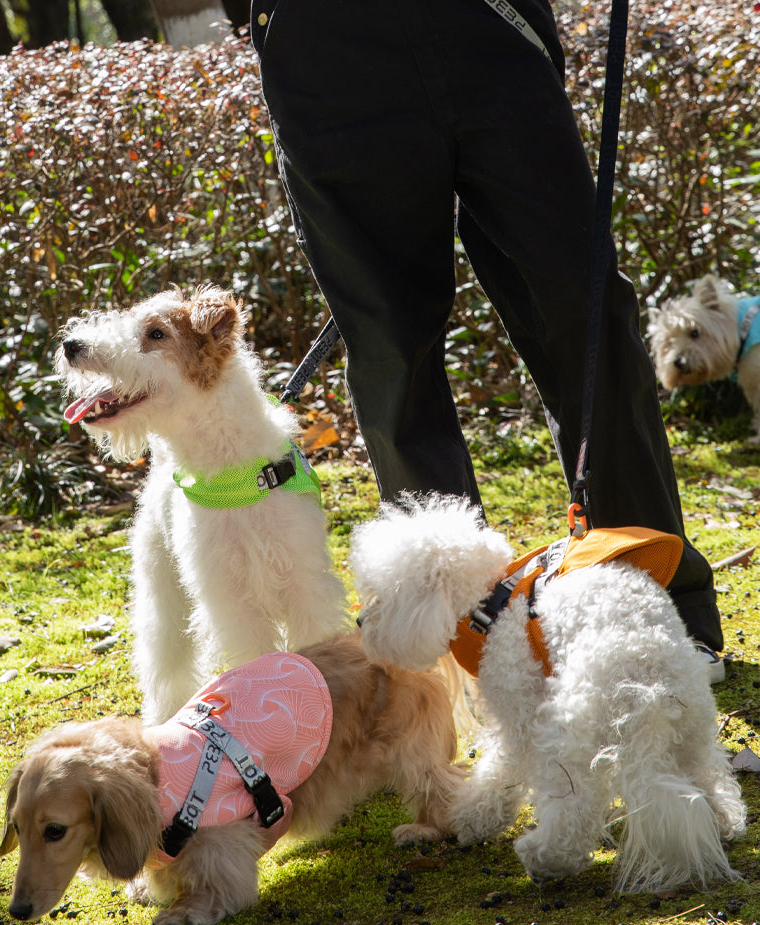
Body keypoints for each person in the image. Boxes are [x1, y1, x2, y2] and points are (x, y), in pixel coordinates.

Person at [249, 0, 724, 657]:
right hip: (327, 50)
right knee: (392, 351)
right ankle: (464, 638)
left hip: (488, 24)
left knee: (583, 310)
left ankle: (659, 598)